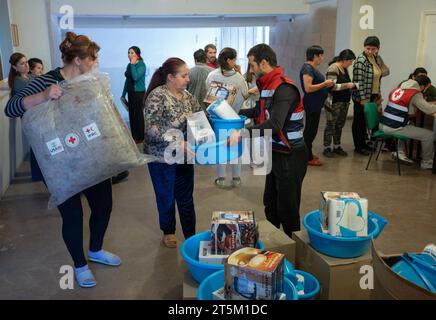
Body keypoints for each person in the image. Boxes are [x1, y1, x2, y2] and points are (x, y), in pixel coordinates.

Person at [5, 32, 121, 288]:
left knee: (103, 206)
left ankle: (96, 250)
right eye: (93, 57)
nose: (96, 61)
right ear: (78, 60)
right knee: (72, 215)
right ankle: (79, 266)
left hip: (92, 157)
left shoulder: (91, 82)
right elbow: (10, 108)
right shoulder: (44, 81)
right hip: (59, 162)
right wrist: (44, 95)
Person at [229, 44, 309, 239]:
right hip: (275, 152)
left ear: (264, 63)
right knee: (271, 205)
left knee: (288, 209)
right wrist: (231, 112)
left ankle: (292, 251)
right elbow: (258, 111)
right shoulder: (268, 86)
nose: (251, 70)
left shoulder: (284, 87)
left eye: (252, 65)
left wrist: (242, 133)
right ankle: (273, 245)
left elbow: (274, 125)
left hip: (291, 155)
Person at [144, 57, 201, 248]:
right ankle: (168, 231)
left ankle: (190, 234)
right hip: (161, 158)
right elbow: (151, 130)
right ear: (170, 77)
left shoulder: (189, 97)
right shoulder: (157, 96)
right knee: (166, 196)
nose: (188, 79)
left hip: (184, 156)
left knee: (186, 197)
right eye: (184, 76)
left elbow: (199, 120)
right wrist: (177, 140)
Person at [206, 47, 248, 188]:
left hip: (218, 120)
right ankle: (236, 178)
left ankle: (221, 178)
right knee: (236, 147)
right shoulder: (238, 78)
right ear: (230, 60)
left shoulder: (212, 75)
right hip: (235, 119)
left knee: (221, 147)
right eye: (234, 59)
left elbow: (208, 93)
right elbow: (245, 94)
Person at [379, 75, 436, 170]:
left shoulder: (398, 89)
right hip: (394, 127)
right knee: (429, 135)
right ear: (422, 87)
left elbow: (408, 109)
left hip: (383, 124)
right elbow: (428, 109)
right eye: (427, 88)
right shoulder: (415, 93)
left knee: (411, 124)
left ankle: (400, 152)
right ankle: (427, 162)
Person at [352, 36, 390, 155]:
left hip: (373, 95)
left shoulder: (376, 58)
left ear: (378, 49)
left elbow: (382, 74)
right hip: (362, 96)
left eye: (373, 49)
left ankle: (364, 143)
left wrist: (378, 93)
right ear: (364, 47)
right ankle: (359, 146)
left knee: (367, 121)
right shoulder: (360, 60)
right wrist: (362, 98)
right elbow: (358, 82)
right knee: (359, 121)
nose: (370, 51)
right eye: (368, 48)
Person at [300, 45, 335, 166]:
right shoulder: (307, 69)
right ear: (315, 56)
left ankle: (307, 152)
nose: (322, 58)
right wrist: (325, 83)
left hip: (315, 103)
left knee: (312, 130)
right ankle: (306, 156)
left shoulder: (312, 68)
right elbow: (308, 88)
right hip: (312, 103)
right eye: (321, 56)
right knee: (310, 131)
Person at [323, 49, 357, 158]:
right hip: (334, 102)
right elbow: (331, 86)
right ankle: (326, 147)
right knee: (331, 125)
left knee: (339, 125)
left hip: (344, 102)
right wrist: (348, 85)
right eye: (350, 61)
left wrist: (352, 86)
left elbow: (343, 85)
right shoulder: (333, 68)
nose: (351, 63)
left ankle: (337, 146)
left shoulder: (344, 68)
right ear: (344, 60)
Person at [122, 46, 146, 144]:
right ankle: (134, 136)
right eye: (128, 53)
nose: (129, 55)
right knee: (132, 115)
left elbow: (135, 77)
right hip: (131, 93)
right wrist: (123, 94)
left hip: (139, 93)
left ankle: (140, 137)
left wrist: (132, 64)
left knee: (138, 115)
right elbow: (127, 80)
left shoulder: (141, 65)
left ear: (137, 54)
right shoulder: (129, 65)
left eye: (132, 53)